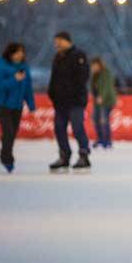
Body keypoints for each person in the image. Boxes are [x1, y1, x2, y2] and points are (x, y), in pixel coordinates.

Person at [47, 31, 91, 172]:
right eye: (55, 42)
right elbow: (54, 77)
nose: (57, 44)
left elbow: (83, 77)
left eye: (59, 41)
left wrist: (74, 94)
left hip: (75, 101)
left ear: (67, 41)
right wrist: (52, 93)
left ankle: (84, 154)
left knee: (77, 127)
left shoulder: (79, 55)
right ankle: (64, 155)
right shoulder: (58, 57)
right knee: (59, 128)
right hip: (60, 101)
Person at [0, 42, 35, 173]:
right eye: (17, 52)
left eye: (22, 52)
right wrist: (15, 79)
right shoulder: (1, 66)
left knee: (12, 133)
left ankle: (5, 152)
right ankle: (7, 158)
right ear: (10, 53)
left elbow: (28, 88)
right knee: (8, 131)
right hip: (3, 105)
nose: (20, 55)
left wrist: (31, 104)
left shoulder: (24, 67)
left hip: (17, 106)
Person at [90, 58, 117, 149]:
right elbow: (93, 87)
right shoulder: (94, 75)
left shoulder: (106, 73)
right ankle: (100, 138)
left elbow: (107, 86)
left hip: (106, 101)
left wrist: (102, 97)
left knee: (104, 120)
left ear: (99, 65)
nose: (93, 67)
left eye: (95, 65)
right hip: (97, 101)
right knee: (96, 119)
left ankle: (107, 140)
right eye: (92, 66)